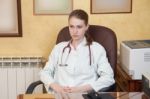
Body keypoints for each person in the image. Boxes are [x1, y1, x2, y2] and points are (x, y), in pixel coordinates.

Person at [40, 9, 115, 93]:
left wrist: (80, 89)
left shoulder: (97, 49)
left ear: (86, 27)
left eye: (79, 27)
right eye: (71, 26)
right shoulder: (59, 48)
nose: (74, 31)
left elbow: (108, 77)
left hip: (84, 95)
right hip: (60, 95)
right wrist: (57, 87)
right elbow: (45, 73)